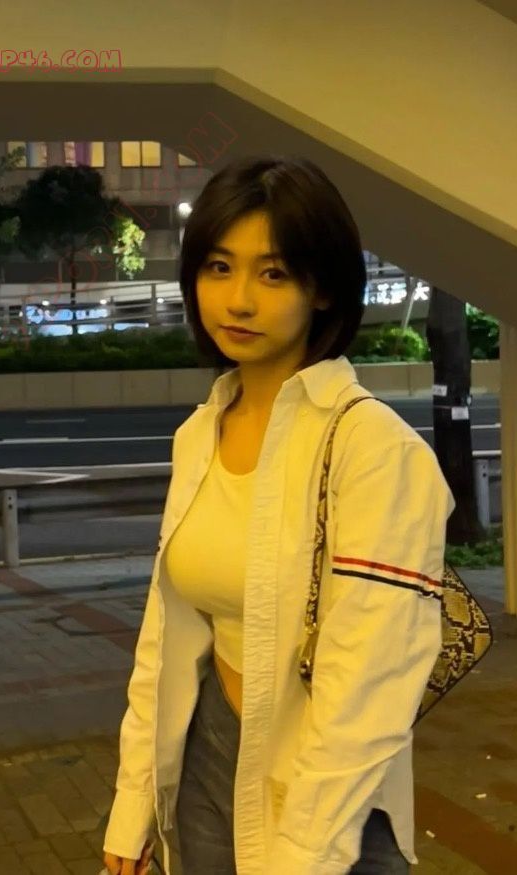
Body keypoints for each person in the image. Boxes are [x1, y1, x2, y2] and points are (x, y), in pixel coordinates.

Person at [102, 155, 455, 875]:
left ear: (321, 288)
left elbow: (370, 690)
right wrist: (133, 806)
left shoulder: (374, 450)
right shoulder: (200, 433)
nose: (237, 300)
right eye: (219, 268)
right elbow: (165, 633)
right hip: (206, 755)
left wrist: (304, 855)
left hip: (325, 791)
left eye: (272, 273)